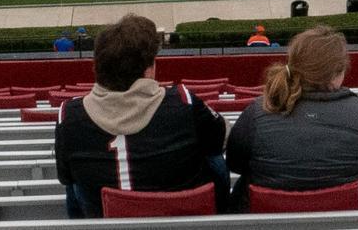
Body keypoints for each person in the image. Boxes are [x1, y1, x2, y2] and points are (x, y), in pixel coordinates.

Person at [54, 14, 229, 216]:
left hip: (104, 221)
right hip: (181, 220)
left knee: (74, 183)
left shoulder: (69, 114)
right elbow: (224, 139)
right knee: (212, 153)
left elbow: (65, 177)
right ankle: (222, 215)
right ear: (148, 69)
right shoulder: (183, 101)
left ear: (99, 67)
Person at [226, 26, 358, 210]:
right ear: (336, 73)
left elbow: (235, 165)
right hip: (345, 221)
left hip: (269, 221)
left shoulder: (257, 112)